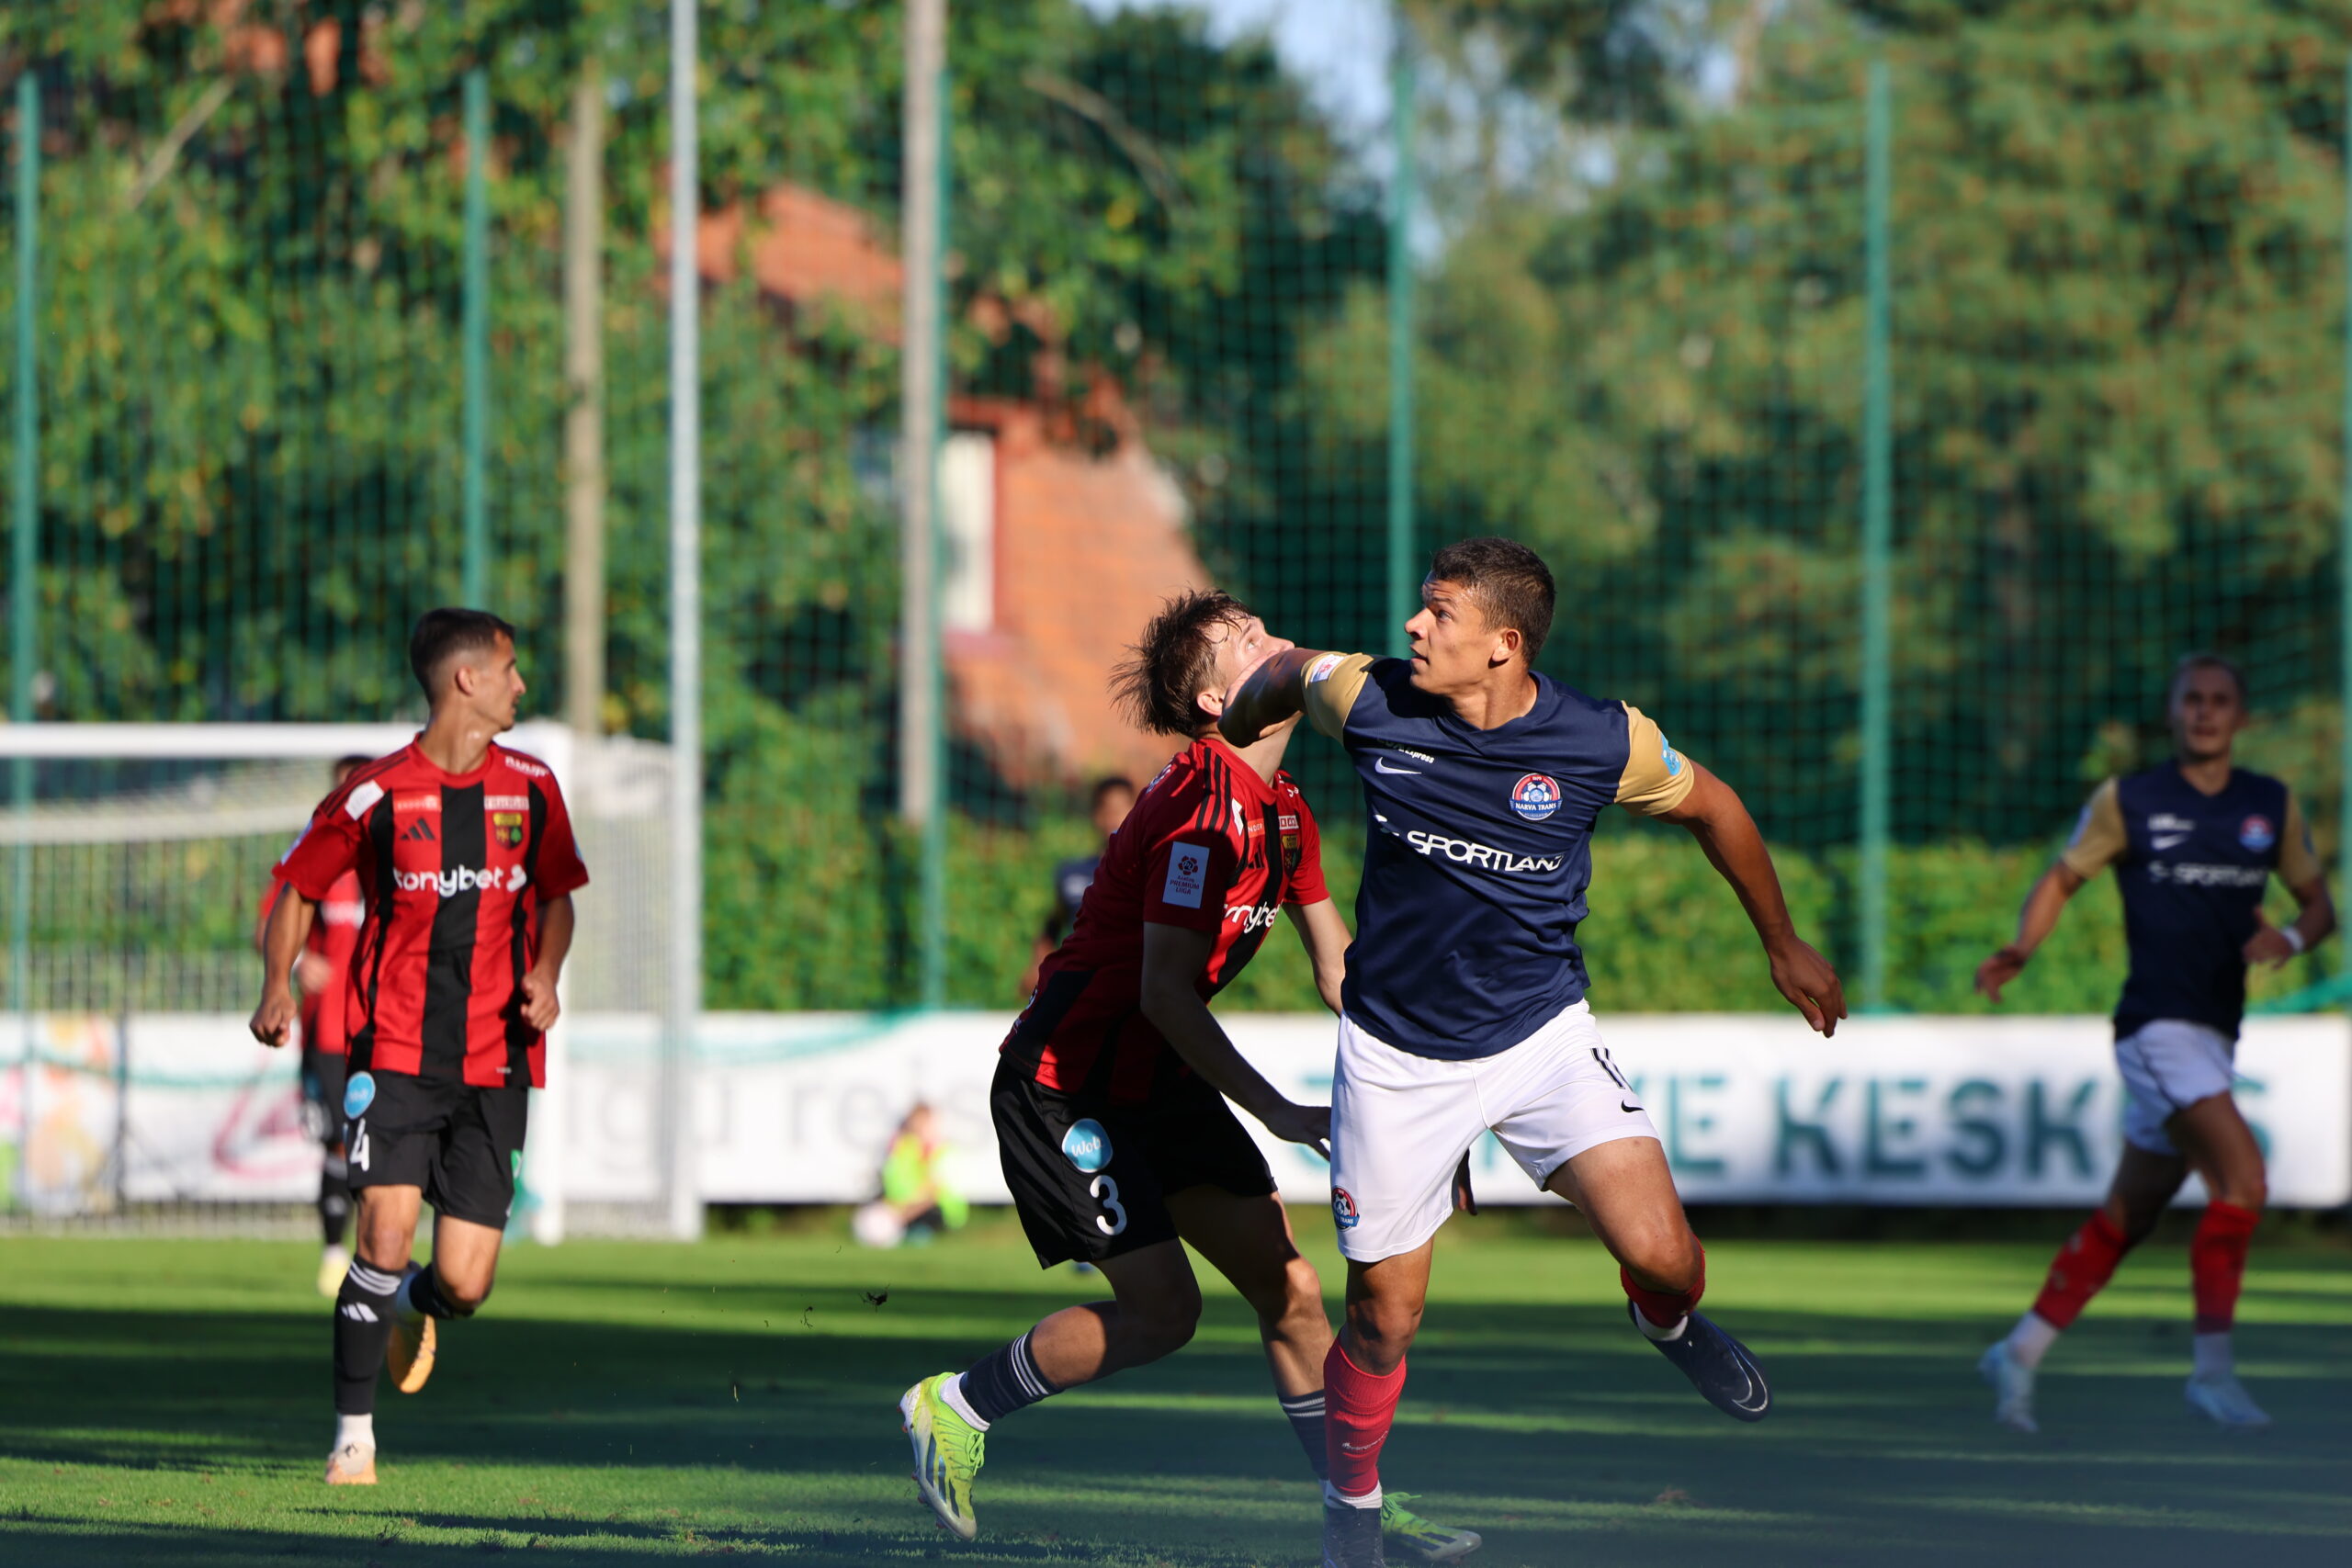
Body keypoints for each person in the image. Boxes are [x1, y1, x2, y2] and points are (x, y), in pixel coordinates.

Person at [1217, 537, 1845, 1568]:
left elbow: (1717, 807)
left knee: (1667, 1258)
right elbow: (1281, 670)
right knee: (1382, 1321)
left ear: (1503, 644)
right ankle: (1353, 1515)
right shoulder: (1366, 699)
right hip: (1395, 1057)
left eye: (1440, 614)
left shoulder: (1604, 740)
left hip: (1539, 1035)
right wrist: (1233, 757)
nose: (1414, 627)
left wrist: (1782, 943)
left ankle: (1667, 1326)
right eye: (1420, 609)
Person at [898, 590, 1481, 1564]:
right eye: (1246, 642)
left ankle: (1359, 1516)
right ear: (1216, 702)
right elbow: (1166, 996)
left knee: (1292, 1294)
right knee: (1166, 1314)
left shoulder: (1285, 812)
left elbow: (1344, 974)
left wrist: (1433, 1091)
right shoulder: (1196, 805)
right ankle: (954, 1407)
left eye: (1262, 625)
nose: (1276, 637)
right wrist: (1281, 1113)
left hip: (1157, 1080)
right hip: (1065, 1085)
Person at [251, 608, 589, 1486]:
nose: (521, 682)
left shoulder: (534, 787)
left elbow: (557, 895)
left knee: (467, 1283)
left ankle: (411, 1304)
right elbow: (296, 885)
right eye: (510, 667)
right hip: (394, 1050)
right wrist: (277, 983)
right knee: (386, 1230)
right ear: (465, 680)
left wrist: (548, 971)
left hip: (499, 1062)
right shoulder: (375, 793)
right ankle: (352, 1437)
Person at [1973, 654, 2332, 1433]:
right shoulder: (2130, 799)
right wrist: (2022, 948)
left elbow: (2317, 903)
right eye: (2191, 700)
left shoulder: (2269, 804)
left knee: (2130, 1213)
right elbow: (2063, 878)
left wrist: (2292, 941)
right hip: (2153, 1028)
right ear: (2173, 713)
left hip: (2213, 1032)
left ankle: (2019, 1350)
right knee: (2243, 1181)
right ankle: (2212, 1374)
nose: (2204, 712)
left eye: (2219, 701)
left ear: (2240, 717)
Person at [255, 753, 375, 1297]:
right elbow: (269, 922)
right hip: (329, 1031)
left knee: (381, 1148)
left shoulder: (401, 857)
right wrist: (300, 966)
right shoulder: (318, 858)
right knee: (336, 1143)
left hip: (388, 1028)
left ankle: (379, 1258)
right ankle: (334, 1253)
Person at [1021, 775, 1137, 997]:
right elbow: (1053, 924)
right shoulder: (1070, 873)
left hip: (1127, 986)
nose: (1113, 818)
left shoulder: (1146, 872)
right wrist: (1037, 965)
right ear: (1095, 815)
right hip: (1078, 985)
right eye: (1107, 809)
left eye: (1121, 809)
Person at [854, 1101, 970, 1247]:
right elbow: (893, 1183)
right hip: (904, 1208)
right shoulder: (903, 1148)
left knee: (931, 1214)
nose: (918, 1128)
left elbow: (934, 1192)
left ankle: (916, 1233)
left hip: (935, 1209)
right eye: (915, 1123)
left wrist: (902, 1215)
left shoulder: (942, 1151)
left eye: (923, 1123)